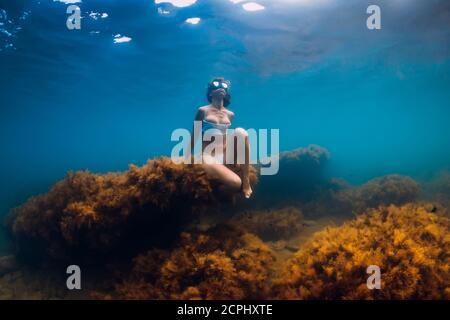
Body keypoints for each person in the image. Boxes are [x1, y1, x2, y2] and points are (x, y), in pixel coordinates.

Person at [191, 77, 252, 198]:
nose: (220, 87)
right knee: (235, 183)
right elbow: (195, 134)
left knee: (241, 131)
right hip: (209, 156)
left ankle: (246, 181)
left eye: (224, 85)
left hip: (226, 154)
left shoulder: (230, 114)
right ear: (210, 92)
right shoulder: (202, 111)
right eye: (216, 84)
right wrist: (187, 157)